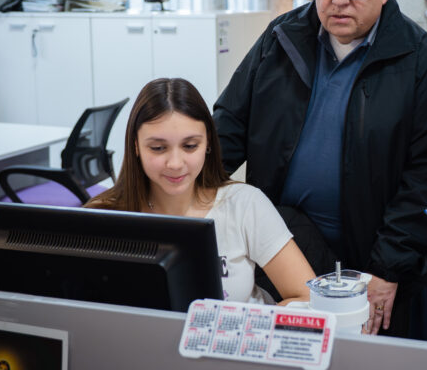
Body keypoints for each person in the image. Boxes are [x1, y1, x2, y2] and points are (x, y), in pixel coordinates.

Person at [214, 0, 427, 338]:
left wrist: (388, 266)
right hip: (284, 250)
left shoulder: (419, 59)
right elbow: (229, 125)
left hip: (373, 261)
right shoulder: (281, 38)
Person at [86, 78, 315, 305]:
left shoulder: (245, 205)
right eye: (158, 148)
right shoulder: (104, 215)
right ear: (136, 146)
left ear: (208, 144)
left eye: (190, 146)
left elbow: (307, 297)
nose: (175, 163)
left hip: (235, 339)